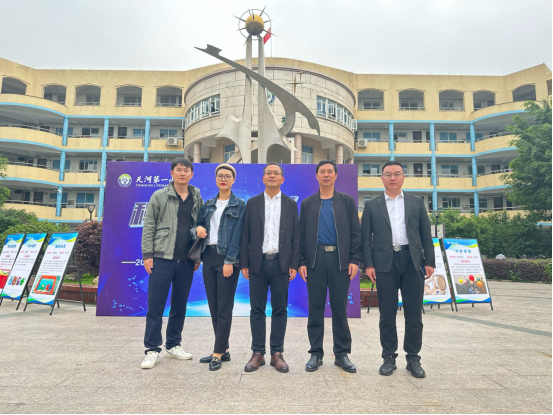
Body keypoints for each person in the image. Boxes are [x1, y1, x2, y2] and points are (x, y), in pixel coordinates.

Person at [361, 161, 435, 378]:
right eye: (388, 174)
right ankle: (388, 357)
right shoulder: (372, 205)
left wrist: (429, 261)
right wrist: (369, 264)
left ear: (403, 177)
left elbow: (425, 234)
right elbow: (365, 238)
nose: (392, 178)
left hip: (412, 261)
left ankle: (413, 357)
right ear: (382, 178)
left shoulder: (416, 202)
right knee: (387, 313)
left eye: (396, 174)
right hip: (384, 262)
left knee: (414, 313)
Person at [298, 160, 361, 373]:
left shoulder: (347, 202)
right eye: (322, 172)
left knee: (339, 308)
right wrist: (301, 262)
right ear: (316, 175)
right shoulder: (308, 203)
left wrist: (354, 260)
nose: (326, 175)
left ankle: (342, 354)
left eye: (330, 171)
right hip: (315, 260)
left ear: (335, 175)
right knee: (315, 308)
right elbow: (301, 234)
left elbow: (355, 232)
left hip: (340, 261)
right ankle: (316, 353)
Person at [140, 157, 203, 369]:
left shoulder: (197, 198)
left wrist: (197, 256)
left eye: (186, 170)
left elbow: (199, 226)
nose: (182, 173)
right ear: (172, 173)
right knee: (155, 305)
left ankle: (173, 344)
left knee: (179, 305)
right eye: (179, 170)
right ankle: (152, 349)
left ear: (191, 174)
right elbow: (149, 225)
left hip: (186, 260)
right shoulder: (159, 196)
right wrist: (147, 254)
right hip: (162, 258)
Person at [240, 162, 300, 373]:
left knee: (280, 309)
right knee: (257, 309)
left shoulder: (290, 204)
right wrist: (244, 262)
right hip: (257, 263)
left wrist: (294, 263)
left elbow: (295, 236)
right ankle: (258, 353)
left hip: (281, 264)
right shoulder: (252, 203)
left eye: (276, 173)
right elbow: (245, 235)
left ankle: (277, 353)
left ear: (282, 179)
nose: (272, 175)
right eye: (268, 173)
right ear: (263, 178)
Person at [192, 164, 246, 371]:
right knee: (214, 305)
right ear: (216, 179)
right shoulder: (208, 204)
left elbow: (239, 236)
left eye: (227, 176)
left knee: (224, 306)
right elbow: (197, 225)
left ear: (233, 180)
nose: (223, 179)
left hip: (226, 257)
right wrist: (198, 228)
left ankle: (217, 352)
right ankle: (223, 349)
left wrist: (230, 261)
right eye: (220, 176)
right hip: (208, 256)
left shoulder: (240, 205)